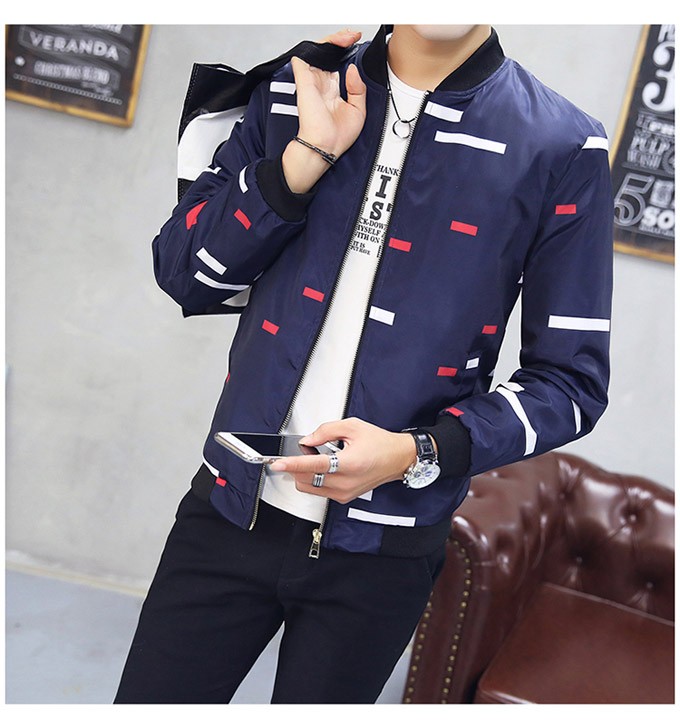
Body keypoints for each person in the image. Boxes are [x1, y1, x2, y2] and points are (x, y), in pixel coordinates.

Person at [114, 24, 613, 704]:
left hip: (384, 556)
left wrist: (417, 452)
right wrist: (305, 156)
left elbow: (571, 383)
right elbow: (185, 274)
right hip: (230, 511)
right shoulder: (295, 88)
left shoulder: (561, 145)